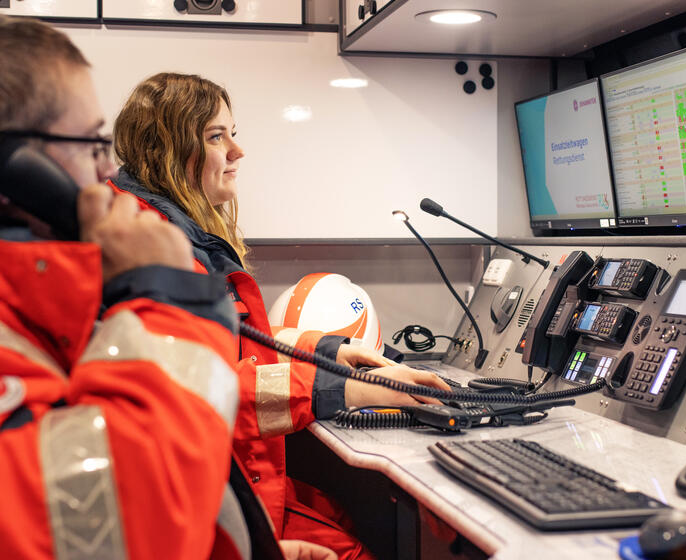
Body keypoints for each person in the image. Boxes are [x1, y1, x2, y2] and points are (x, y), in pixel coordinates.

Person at [110, 72, 452, 559]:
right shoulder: (155, 252)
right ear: (164, 149)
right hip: (199, 502)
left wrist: (333, 351)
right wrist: (347, 388)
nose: (236, 151)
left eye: (233, 133)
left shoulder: (170, 232)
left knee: (346, 519)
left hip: (222, 484)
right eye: (214, 136)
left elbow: (237, 345)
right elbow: (209, 393)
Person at [0, 16, 243, 560]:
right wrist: (169, 297)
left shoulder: (41, 303)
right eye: (89, 142)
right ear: (15, 171)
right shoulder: (147, 252)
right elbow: (118, 527)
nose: (107, 168)